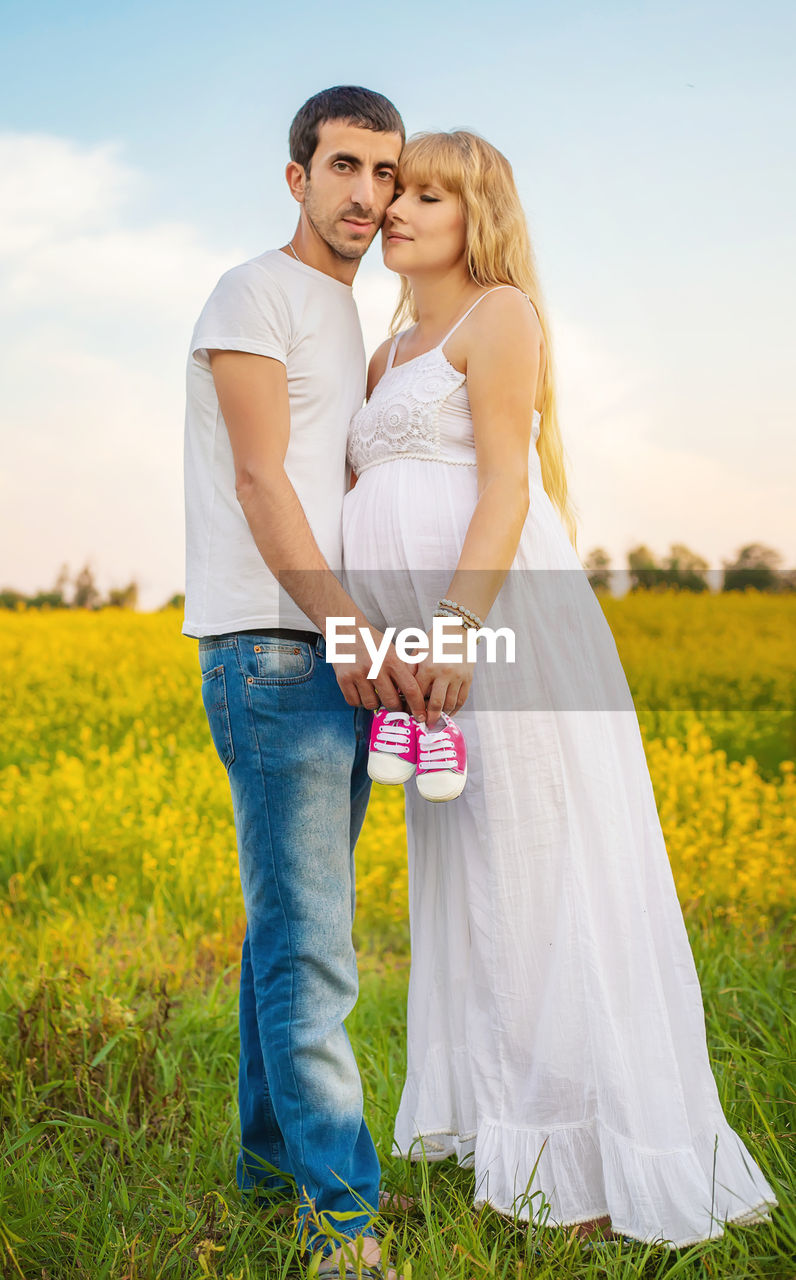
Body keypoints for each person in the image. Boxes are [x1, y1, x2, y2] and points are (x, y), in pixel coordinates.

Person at [341, 129, 779, 1249]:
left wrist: (449, 624)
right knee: (474, 883)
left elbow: (499, 488)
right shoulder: (387, 352)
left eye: (425, 193)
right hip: (421, 660)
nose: (397, 208)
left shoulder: (501, 316)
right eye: (396, 189)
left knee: (543, 875)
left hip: (498, 630)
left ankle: (589, 1170)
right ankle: (515, 1145)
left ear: (475, 213)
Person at [182, 86, 425, 1279]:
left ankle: (270, 1179)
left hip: (335, 648)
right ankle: (344, 1229)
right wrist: (344, 633)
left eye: (384, 174)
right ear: (296, 176)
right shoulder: (254, 292)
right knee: (317, 950)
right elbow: (264, 483)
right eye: (343, 167)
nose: (365, 195)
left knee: (290, 938)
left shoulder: (352, 312)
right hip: (276, 647)